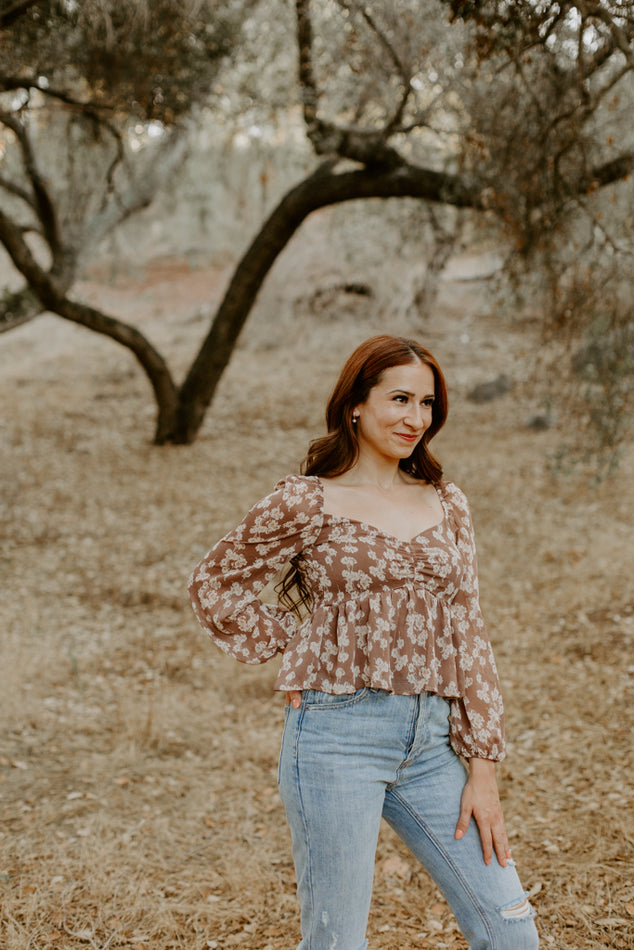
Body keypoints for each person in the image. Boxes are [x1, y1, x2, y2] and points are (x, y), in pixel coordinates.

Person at [188, 335, 539, 950]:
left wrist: (482, 768)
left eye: (427, 404)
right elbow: (215, 584)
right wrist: (300, 647)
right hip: (335, 738)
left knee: (510, 931)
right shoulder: (308, 501)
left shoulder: (447, 503)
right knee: (336, 943)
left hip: (434, 745)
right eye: (399, 399)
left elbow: (469, 630)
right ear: (355, 403)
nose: (416, 418)